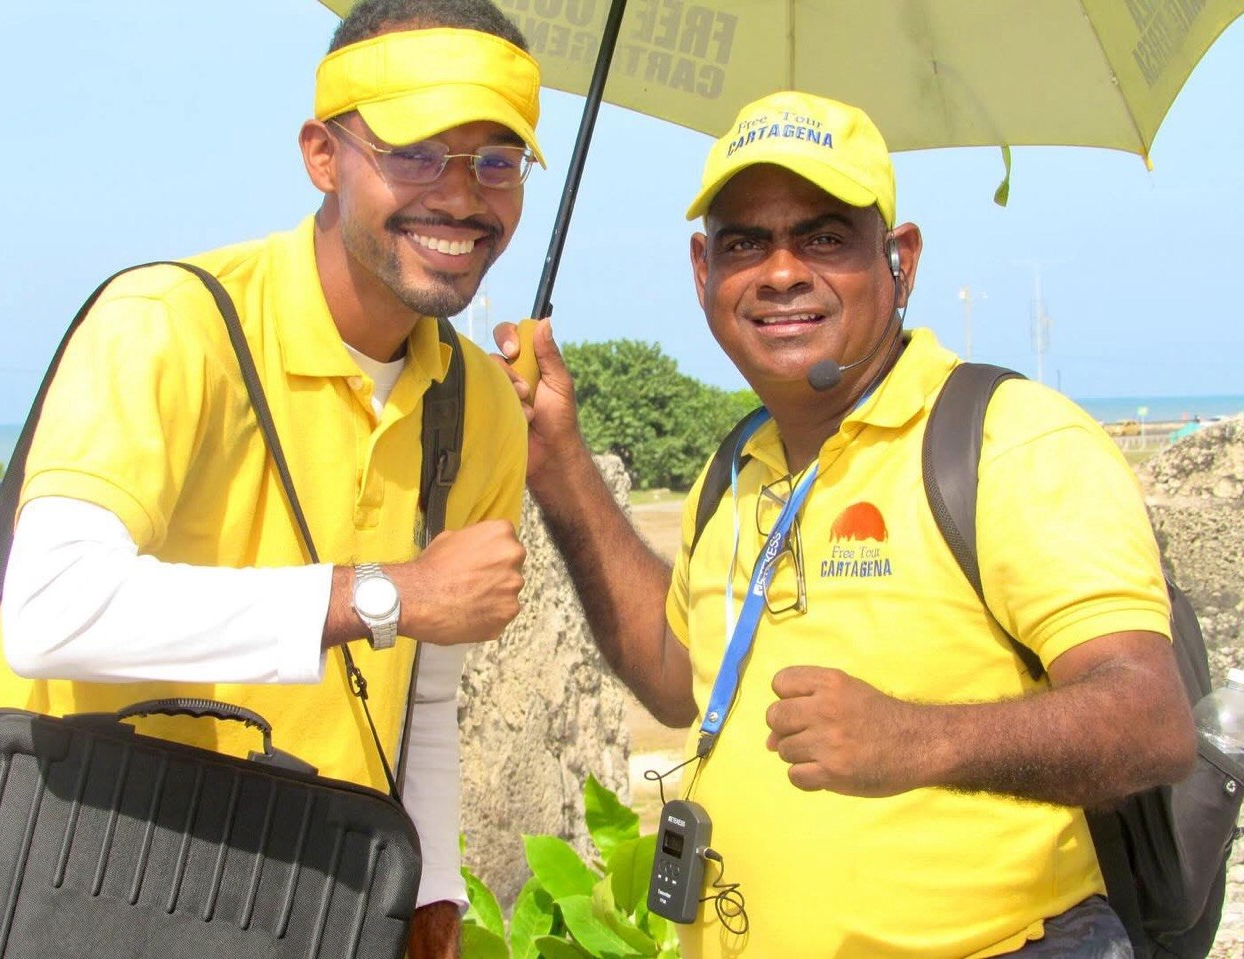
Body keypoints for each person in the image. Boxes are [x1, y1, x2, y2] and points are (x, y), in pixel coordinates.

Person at [498, 91, 1197, 957]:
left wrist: (915, 738)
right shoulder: (737, 461)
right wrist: (561, 466)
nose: (781, 270)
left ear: (899, 258)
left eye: (824, 237)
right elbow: (678, 677)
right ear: (701, 269)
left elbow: (1151, 720)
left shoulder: (1007, 438)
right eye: (744, 241)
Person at [0, 1, 541, 955]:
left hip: (309, 900)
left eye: (496, 160)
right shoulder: (166, 323)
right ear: (323, 155)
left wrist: (436, 896)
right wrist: (387, 594)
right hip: (87, 870)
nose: (461, 196)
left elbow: (429, 697)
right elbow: (50, 610)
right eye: (415, 153)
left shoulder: (481, 404)